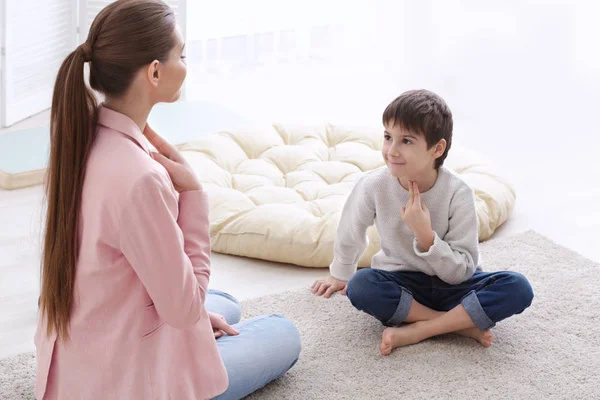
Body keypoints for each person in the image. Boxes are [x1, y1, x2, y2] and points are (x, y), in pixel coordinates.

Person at [35, 1, 300, 398]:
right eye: (182, 54)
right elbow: (184, 309)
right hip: (125, 384)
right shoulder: (140, 179)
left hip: (75, 368)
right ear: (155, 72)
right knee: (283, 332)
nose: (186, 64)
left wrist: (193, 317)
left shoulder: (79, 142)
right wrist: (192, 196)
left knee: (223, 303)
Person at [312, 89, 533, 355]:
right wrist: (341, 272)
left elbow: (462, 271)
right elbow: (350, 230)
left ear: (437, 149)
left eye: (406, 141)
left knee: (517, 287)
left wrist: (426, 236)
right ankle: (456, 325)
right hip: (403, 282)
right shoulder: (374, 185)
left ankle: (419, 329)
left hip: (456, 285)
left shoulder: (458, 193)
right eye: (387, 137)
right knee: (360, 285)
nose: (391, 150)